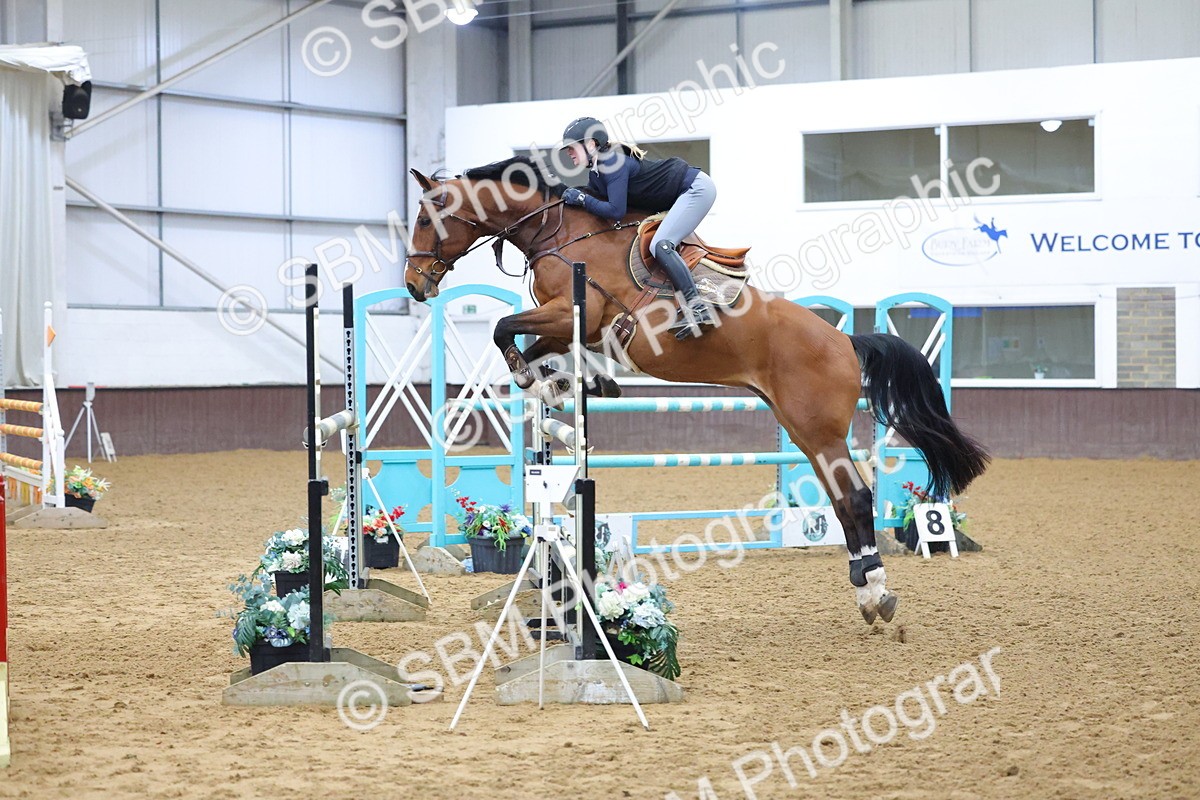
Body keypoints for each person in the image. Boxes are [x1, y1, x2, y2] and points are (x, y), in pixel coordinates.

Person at [557, 116, 716, 339]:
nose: (569, 154)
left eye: (572, 148)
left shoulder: (612, 162)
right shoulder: (596, 172)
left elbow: (615, 211)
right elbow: (597, 205)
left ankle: (698, 308)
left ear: (591, 144)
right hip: (681, 194)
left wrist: (582, 198)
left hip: (695, 189)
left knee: (661, 245)